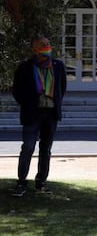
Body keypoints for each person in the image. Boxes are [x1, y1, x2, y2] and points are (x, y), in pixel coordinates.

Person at [11, 36, 67, 197]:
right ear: (34, 49)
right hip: (32, 114)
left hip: (51, 114)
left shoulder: (58, 66)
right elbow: (17, 91)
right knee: (28, 148)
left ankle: (41, 182)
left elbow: (61, 88)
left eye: (48, 44)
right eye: (42, 45)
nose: (47, 47)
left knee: (46, 150)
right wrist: (28, 104)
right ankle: (21, 182)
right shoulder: (25, 67)